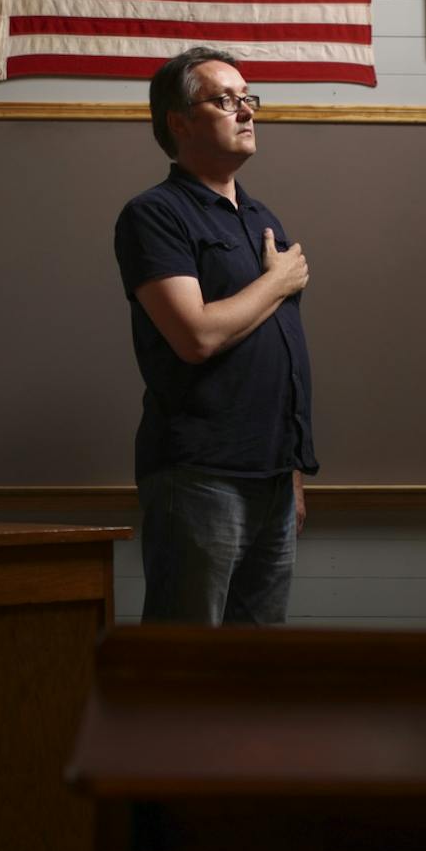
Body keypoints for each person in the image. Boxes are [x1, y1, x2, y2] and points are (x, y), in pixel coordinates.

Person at [113, 46, 317, 625]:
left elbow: (279, 355)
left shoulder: (263, 220)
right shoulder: (154, 215)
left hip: (273, 479)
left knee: (255, 680)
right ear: (179, 121)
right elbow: (195, 337)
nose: (247, 111)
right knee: (187, 672)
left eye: (249, 98)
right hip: (200, 477)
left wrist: (293, 473)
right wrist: (277, 283)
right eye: (226, 100)